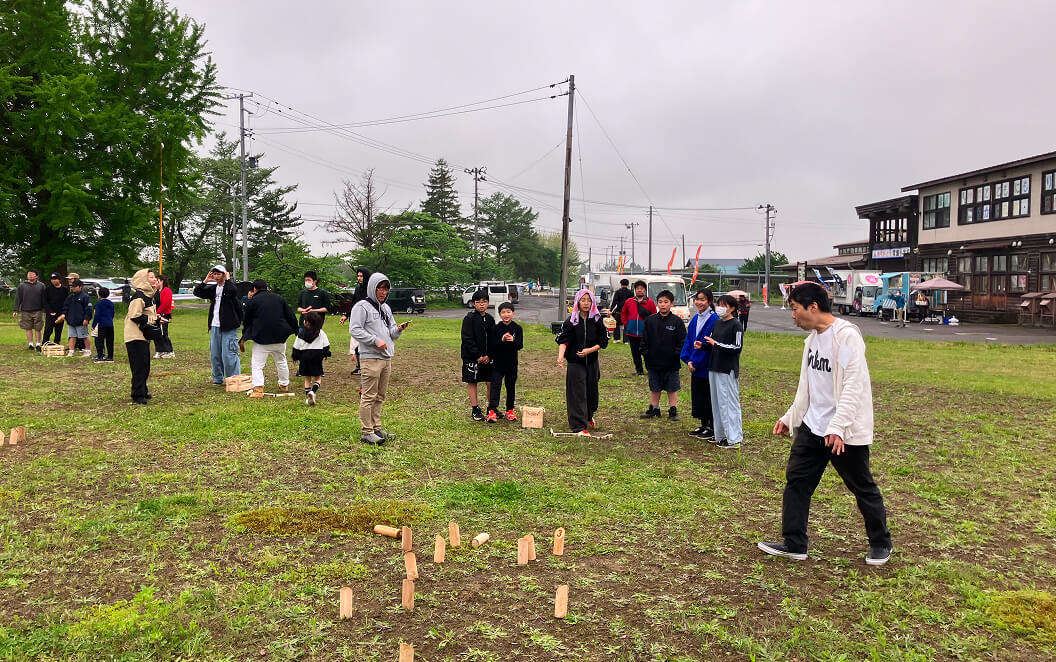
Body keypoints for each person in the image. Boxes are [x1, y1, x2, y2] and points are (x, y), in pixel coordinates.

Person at [758, 282, 892, 566]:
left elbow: (853, 386)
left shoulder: (846, 338)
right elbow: (807, 388)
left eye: (795, 309)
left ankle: (881, 543)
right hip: (812, 427)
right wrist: (790, 418)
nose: (792, 316)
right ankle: (794, 543)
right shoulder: (811, 341)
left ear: (813, 307)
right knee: (797, 482)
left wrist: (839, 427)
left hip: (842, 432)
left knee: (861, 486)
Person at [349, 272, 409, 445]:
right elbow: (355, 329)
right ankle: (367, 432)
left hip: (386, 358)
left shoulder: (386, 308)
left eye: (386, 289)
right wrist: (375, 341)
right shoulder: (362, 306)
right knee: (369, 395)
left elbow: (391, 332)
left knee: (380, 395)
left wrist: (398, 330)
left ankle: (376, 428)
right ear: (372, 287)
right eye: (380, 288)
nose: (383, 292)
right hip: (370, 358)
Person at [556, 289, 608, 436]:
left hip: (592, 361)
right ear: (578, 302)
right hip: (575, 362)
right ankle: (578, 426)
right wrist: (561, 357)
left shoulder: (597, 320)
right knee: (577, 394)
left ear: (592, 302)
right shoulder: (571, 321)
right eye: (583, 300)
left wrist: (589, 350)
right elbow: (563, 340)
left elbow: (603, 342)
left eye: (588, 300)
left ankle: (588, 415)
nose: (586, 303)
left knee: (592, 393)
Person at [240, 279, 299, 397]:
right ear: (267, 288)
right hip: (280, 337)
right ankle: (284, 384)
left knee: (257, 364)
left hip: (261, 339)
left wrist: (245, 335)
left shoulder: (252, 302)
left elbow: (247, 321)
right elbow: (291, 316)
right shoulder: (279, 299)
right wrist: (296, 331)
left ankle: (258, 388)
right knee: (281, 361)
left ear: (254, 289)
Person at [639, 290, 687, 421]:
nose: (663, 305)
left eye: (666, 302)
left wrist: (676, 354)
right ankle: (654, 408)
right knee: (655, 387)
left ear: (672, 303)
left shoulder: (677, 321)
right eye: (660, 302)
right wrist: (646, 354)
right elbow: (644, 341)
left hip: (671, 363)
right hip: (653, 362)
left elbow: (682, 341)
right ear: (657, 304)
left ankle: (673, 410)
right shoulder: (650, 320)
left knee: (672, 387)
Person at [704, 295, 744, 449]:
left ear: (732, 308)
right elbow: (713, 343)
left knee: (729, 403)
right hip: (714, 366)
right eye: (719, 304)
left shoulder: (736, 325)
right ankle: (720, 434)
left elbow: (736, 347)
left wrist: (716, 344)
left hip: (727, 369)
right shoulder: (717, 323)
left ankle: (734, 438)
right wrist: (704, 345)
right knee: (717, 403)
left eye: (724, 305)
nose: (720, 307)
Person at [194, 265, 243, 386]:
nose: (216, 276)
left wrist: (228, 279)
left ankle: (233, 378)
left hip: (228, 326)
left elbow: (233, 291)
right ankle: (218, 379)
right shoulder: (213, 289)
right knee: (215, 354)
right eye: (214, 274)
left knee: (229, 354)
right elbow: (197, 292)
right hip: (215, 325)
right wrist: (205, 281)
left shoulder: (229, 288)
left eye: (218, 274)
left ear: (223, 274)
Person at [681, 289, 718, 439]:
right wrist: (688, 360)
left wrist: (696, 362)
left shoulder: (714, 319)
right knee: (698, 395)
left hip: (706, 365)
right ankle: (703, 424)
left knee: (708, 396)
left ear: (709, 301)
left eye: (702, 299)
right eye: (697, 299)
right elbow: (689, 341)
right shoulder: (695, 318)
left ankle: (711, 426)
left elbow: (707, 345)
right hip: (694, 365)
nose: (698, 302)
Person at [124, 269, 158, 404]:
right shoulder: (139, 297)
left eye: (154, 277)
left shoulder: (148, 296)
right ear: (143, 280)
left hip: (142, 337)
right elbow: (134, 315)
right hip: (135, 337)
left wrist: (156, 318)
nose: (154, 279)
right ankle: (137, 395)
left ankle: (142, 390)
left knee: (145, 365)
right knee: (139, 366)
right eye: (151, 277)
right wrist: (150, 320)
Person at [486, 302, 524, 423]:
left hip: (512, 364)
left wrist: (513, 340)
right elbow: (492, 347)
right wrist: (502, 340)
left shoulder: (517, 328)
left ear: (513, 313)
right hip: (498, 364)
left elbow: (520, 346)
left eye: (508, 312)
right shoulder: (496, 329)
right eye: (503, 312)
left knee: (511, 387)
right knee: (495, 386)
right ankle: (492, 411)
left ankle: (510, 410)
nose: (506, 315)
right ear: (499, 314)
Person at [461, 289, 495, 421]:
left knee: (490, 381)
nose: (481, 304)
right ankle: (475, 408)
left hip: (488, 358)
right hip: (471, 357)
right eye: (478, 302)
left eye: (484, 302)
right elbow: (467, 338)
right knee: (472, 381)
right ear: (474, 303)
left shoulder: (490, 319)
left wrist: (489, 355)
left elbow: (493, 339)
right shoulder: (469, 318)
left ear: (487, 303)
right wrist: (477, 356)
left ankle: (491, 408)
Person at [292, 312, 331, 406]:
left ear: (306, 322)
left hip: (304, 356)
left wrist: (295, 357)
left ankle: (307, 397)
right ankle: (313, 392)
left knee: (307, 378)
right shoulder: (321, 333)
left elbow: (296, 346)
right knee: (318, 377)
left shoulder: (301, 333)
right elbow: (326, 345)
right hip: (317, 356)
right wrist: (326, 354)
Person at [619, 280, 657, 377]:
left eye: (642, 289)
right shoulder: (629, 302)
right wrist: (627, 324)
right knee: (635, 353)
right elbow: (624, 313)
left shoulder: (650, 303)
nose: (640, 290)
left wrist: (650, 328)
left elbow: (654, 316)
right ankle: (639, 370)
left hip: (644, 333)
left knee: (646, 352)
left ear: (645, 290)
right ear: (635, 290)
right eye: (638, 289)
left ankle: (650, 369)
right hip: (632, 332)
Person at [340, 267, 372, 376]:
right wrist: (346, 315)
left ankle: (368, 366)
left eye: (361, 276)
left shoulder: (371, 289)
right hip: (357, 319)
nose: (359, 278)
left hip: (368, 320)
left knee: (367, 343)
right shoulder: (358, 289)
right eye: (358, 276)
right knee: (357, 342)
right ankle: (359, 366)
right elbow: (353, 303)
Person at [57, 279, 93, 357]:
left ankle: (88, 351)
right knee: (71, 336)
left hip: (81, 321)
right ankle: (71, 351)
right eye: (72, 287)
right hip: (71, 321)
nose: (73, 288)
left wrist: (86, 318)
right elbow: (65, 307)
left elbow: (88, 309)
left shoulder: (85, 297)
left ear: (80, 287)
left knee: (84, 336)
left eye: (75, 287)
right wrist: (63, 314)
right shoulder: (70, 297)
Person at [12, 269, 46, 351]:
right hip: (25, 310)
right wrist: (15, 310)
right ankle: (30, 344)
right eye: (29, 274)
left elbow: (44, 298)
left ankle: (38, 344)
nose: (30, 275)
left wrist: (45, 310)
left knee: (38, 328)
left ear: (36, 276)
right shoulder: (22, 286)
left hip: (38, 310)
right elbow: (18, 298)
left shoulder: (41, 285)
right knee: (28, 327)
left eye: (32, 274)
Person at [42, 273, 69, 347]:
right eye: (52, 279)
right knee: (48, 329)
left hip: (60, 313)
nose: (53, 281)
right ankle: (44, 343)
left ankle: (57, 343)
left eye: (55, 279)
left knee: (59, 330)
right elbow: (45, 301)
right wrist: (50, 311)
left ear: (59, 279)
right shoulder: (48, 289)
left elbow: (67, 301)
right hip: (50, 313)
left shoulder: (64, 289)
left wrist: (64, 313)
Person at [153, 274, 175, 358]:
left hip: (164, 314)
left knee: (163, 333)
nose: (156, 283)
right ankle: (160, 350)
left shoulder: (167, 290)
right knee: (156, 333)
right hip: (157, 314)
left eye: (157, 281)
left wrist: (158, 312)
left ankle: (169, 351)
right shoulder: (157, 291)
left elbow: (165, 304)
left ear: (161, 281)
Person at [91, 287, 115, 362]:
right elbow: (113, 313)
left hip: (102, 324)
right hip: (110, 324)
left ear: (99, 294)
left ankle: (100, 356)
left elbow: (97, 315)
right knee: (110, 341)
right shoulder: (111, 303)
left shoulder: (99, 304)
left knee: (100, 341)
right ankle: (110, 357)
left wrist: (93, 325)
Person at [610, 278, 633, 343]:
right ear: (628, 284)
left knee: (616, 325)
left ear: (621, 284)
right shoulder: (631, 292)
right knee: (626, 326)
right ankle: (626, 340)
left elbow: (614, 302)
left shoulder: (617, 292)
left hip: (619, 311)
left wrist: (611, 310)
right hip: (627, 312)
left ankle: (617, 339)